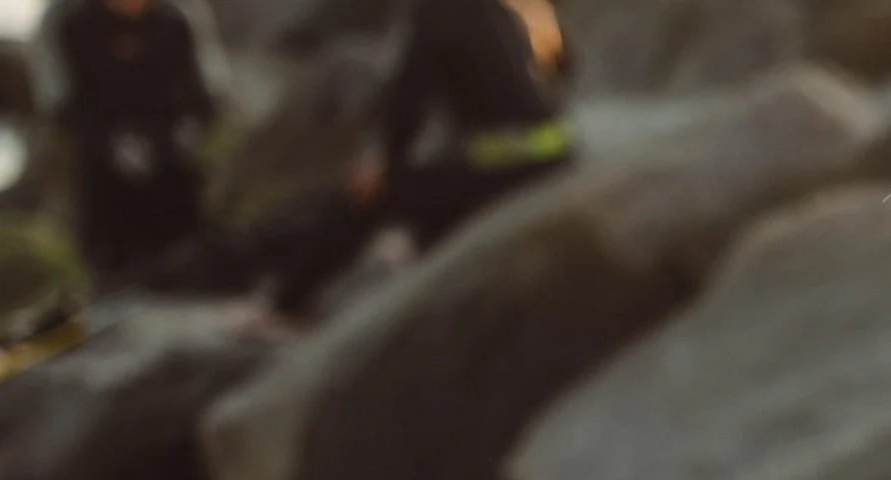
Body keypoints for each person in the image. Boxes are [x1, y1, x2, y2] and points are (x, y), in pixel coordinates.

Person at [261, 0, 574, 316]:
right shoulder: (509, 7)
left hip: (508, 169)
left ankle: (283, 309)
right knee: (440, 182)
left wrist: (382, 164)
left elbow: (409, 99)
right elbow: (561, 68)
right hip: (553, 158)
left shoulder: (440, 8)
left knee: (367, 198)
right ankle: (415, 255)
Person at [44, 0, 214, 277]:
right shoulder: (69, 24)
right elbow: (61, 106)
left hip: (168, 155)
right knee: (107, 247)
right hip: (100, 162)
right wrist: (110, 145)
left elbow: (204, 95)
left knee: (182, 243)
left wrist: (183, 134)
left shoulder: (177, 20)